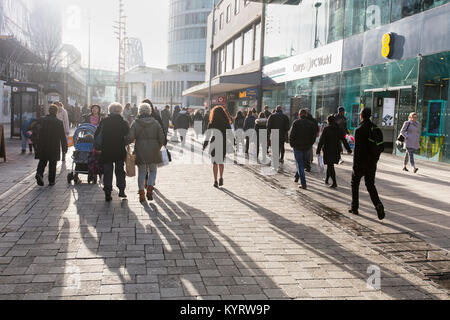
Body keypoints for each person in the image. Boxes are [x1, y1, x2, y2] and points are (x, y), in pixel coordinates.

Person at [349, 108, 385, 220]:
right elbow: (381, 147)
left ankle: (354, 207)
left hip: (360, 163)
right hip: (371, 163)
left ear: (361, 115)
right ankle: (378, 204)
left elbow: (357, 150)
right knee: (370, 185)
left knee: (355, 184)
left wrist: (355, 166)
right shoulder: (376, 128)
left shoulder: (359, 130)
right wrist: (375, 160)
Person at [126, 103, 165, 203]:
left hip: (140, 150)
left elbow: (130, 138)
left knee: (142, 172)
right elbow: (162, 137)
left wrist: (125, 142)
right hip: (153, 150)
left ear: (139, 111)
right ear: (149, 111)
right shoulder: (155, 123)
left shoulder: (136, 123)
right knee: (153, 171)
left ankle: (141, 193)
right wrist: (158, 146)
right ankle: (150, 188)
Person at [95, 102, 130, 202]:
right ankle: (121, 190)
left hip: (106, 150)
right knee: (119, 170)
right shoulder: (123, 122)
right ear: (120, 111)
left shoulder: (104, 121)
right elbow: (127, 136)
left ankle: (107, 193)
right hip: (119, 150)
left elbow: (97, 134)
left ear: (110, 110)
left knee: (107, 172)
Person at [34, 104, 68, 187]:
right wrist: (64, 148)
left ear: (48, 111)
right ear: (56, 112)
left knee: (42, 161)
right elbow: (62, 137)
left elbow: (36, 131)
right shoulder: (59, 122)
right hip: (54, 146)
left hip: (43, 145)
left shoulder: (42, 120)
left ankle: (39, 174)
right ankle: (51, 181)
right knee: (52, 164)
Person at [316, 115, 352, 188]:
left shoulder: (326, 129)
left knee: (330, 165)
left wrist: (318, 150)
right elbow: (344, 140)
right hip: (336, 150)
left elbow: (321, 141)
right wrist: (348, 149)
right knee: (330, 165)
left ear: (328, 121)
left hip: (327, 150)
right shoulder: (339, 129)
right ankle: (326, 179)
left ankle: (334, 183)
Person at [203, 106, 232, 188]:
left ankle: (215, 181)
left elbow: (208, 135)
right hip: (223, 142)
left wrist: (205, 145)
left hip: (214, 142)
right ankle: (221, 177)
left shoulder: (212, 122)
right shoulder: (226, 122)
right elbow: (230, 133)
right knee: (221, 162)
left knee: (215, 163)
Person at [289, 109, 317, 190]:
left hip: (297, 147)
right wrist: (310, 144)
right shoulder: (311, 124)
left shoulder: (296, 123)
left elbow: (291, 135)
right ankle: (297, 177)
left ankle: (303, 183)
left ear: (299, 114)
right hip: (306, 147)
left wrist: (292, 144)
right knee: (302, 163)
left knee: (300, 164)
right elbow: (313, 136)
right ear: (306, 115)